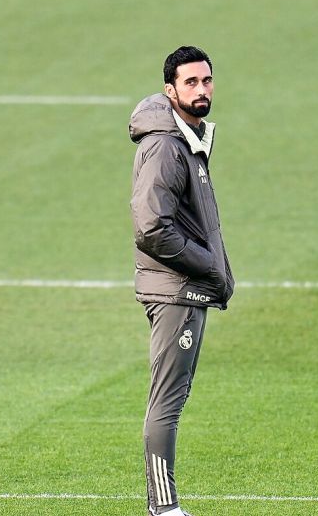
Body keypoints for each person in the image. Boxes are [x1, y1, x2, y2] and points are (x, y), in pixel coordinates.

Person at [128, 46, 235, 516]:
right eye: (190, 83)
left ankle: (164, 506)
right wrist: (208, 267)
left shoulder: (188, 139)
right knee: (167, 399)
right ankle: (163, 507)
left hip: (188, 287)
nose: (201, 90)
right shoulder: (166, 146)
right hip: (176, 289)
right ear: (170, 90)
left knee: (175, 396)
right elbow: (151, 227)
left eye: (206, 80)